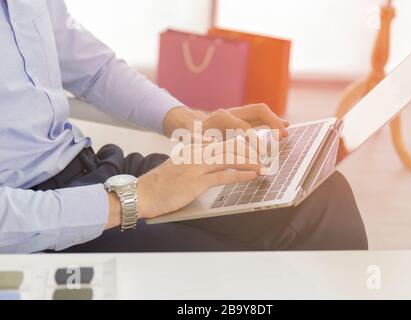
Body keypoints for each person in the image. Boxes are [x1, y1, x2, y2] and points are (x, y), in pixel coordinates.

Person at [0, 0, 367, 253]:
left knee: (320, 195)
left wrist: (191, 121)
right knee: (252, 272)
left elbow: (93, 69)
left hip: (91, 168)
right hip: (40, 217)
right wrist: (138, 198)